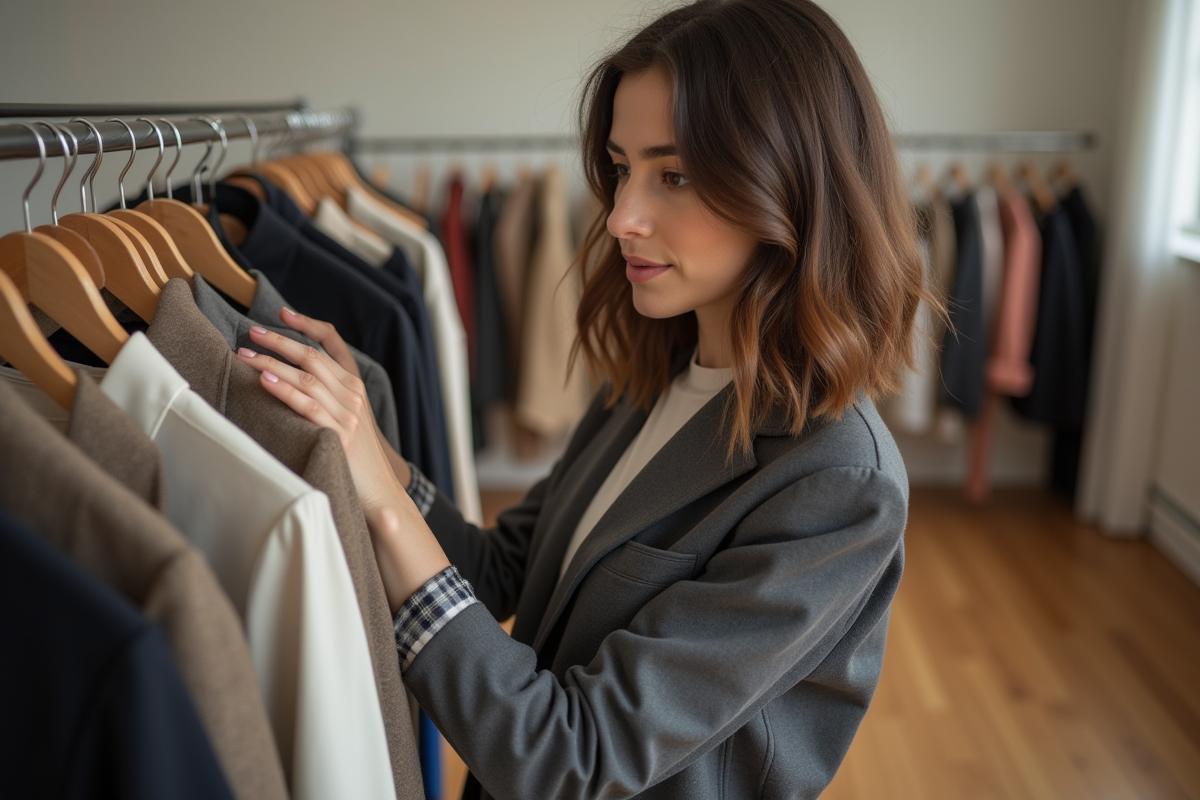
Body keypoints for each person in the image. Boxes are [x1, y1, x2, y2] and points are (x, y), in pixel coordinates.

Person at [236, 1, 934, 796]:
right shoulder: (655, 378)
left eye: (673, 176)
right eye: (621, 168)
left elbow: (573, 759)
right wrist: (372, 452)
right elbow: (506, 571)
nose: (622, 217)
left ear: (793, 186)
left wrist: (387, 510)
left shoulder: (836, 483)